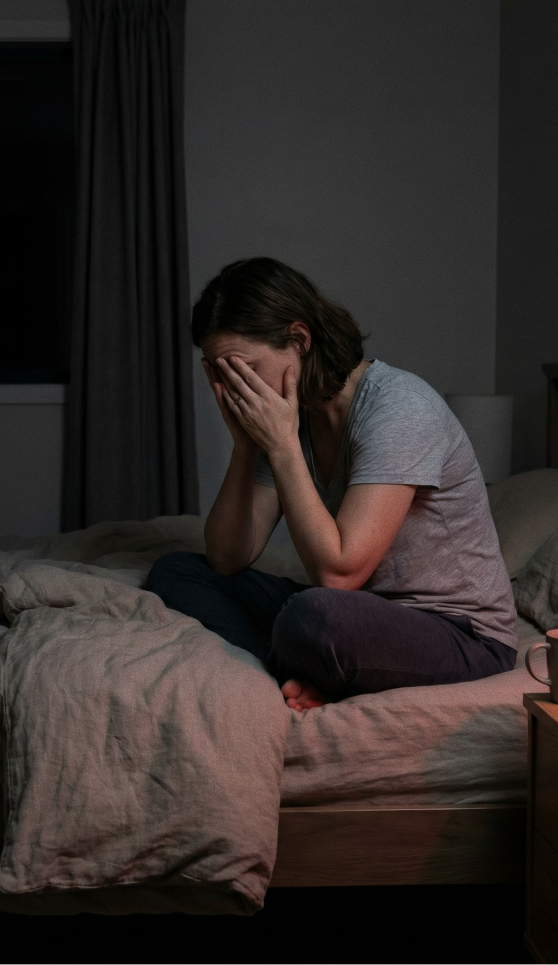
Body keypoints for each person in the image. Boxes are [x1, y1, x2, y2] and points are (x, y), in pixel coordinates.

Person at [147, 257, 517, 711]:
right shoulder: (287, 416)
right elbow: (228, 557)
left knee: (313, 615)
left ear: (299, 340)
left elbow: (338, 574)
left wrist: (281, 447)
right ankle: (292, 671)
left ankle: (298, 662)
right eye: (221, 375)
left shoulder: (401, 408)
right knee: (178, 570)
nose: (237, 390)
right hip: (361, 613)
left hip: (460, 634)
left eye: (244, 371)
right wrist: (245, 446)